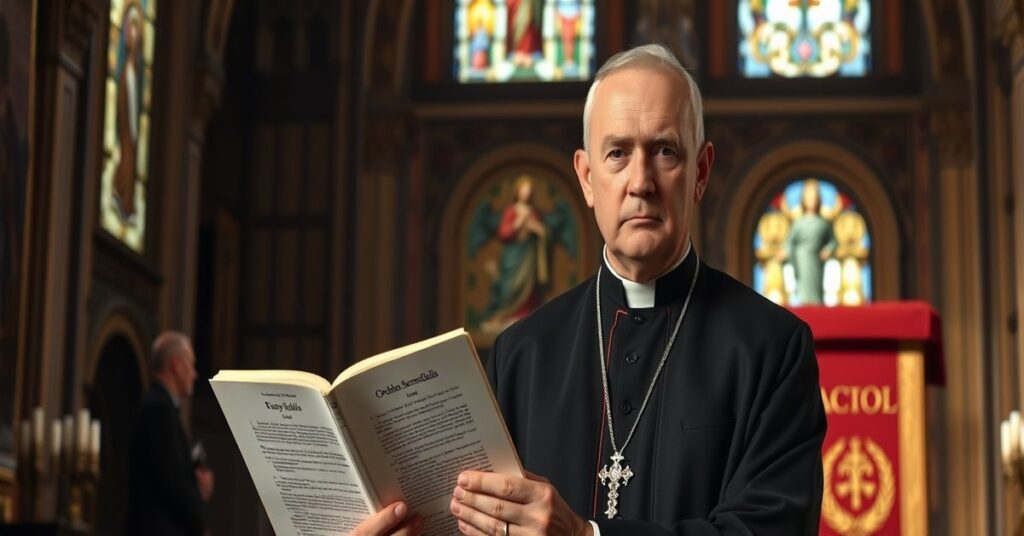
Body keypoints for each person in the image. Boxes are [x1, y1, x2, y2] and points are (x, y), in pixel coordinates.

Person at [353, 43, 825, 536]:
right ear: (586, 177)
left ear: (701, 172)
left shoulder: (774, 348)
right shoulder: (522, 353)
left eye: (664, 151)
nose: (640, 182)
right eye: (617, 154)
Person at [128, 331, 214, 536]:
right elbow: (172, 485)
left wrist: (195, 481)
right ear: (176, 365)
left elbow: (168, 471)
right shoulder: (159, 410)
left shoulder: (159, 407)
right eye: (191, 365)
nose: (195, 374)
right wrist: (201, 525)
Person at [777, 180, 837, 305]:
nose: (811, 201)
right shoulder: (798, 223)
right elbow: (790, 243)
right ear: (803, 200)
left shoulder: (823, 223)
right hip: (801, 259)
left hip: (816, 259)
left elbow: (833, 242)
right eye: (808, 198)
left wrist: (828, 250)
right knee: (804, 286)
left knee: (816, 286)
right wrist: (786, 252)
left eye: (814, 198)